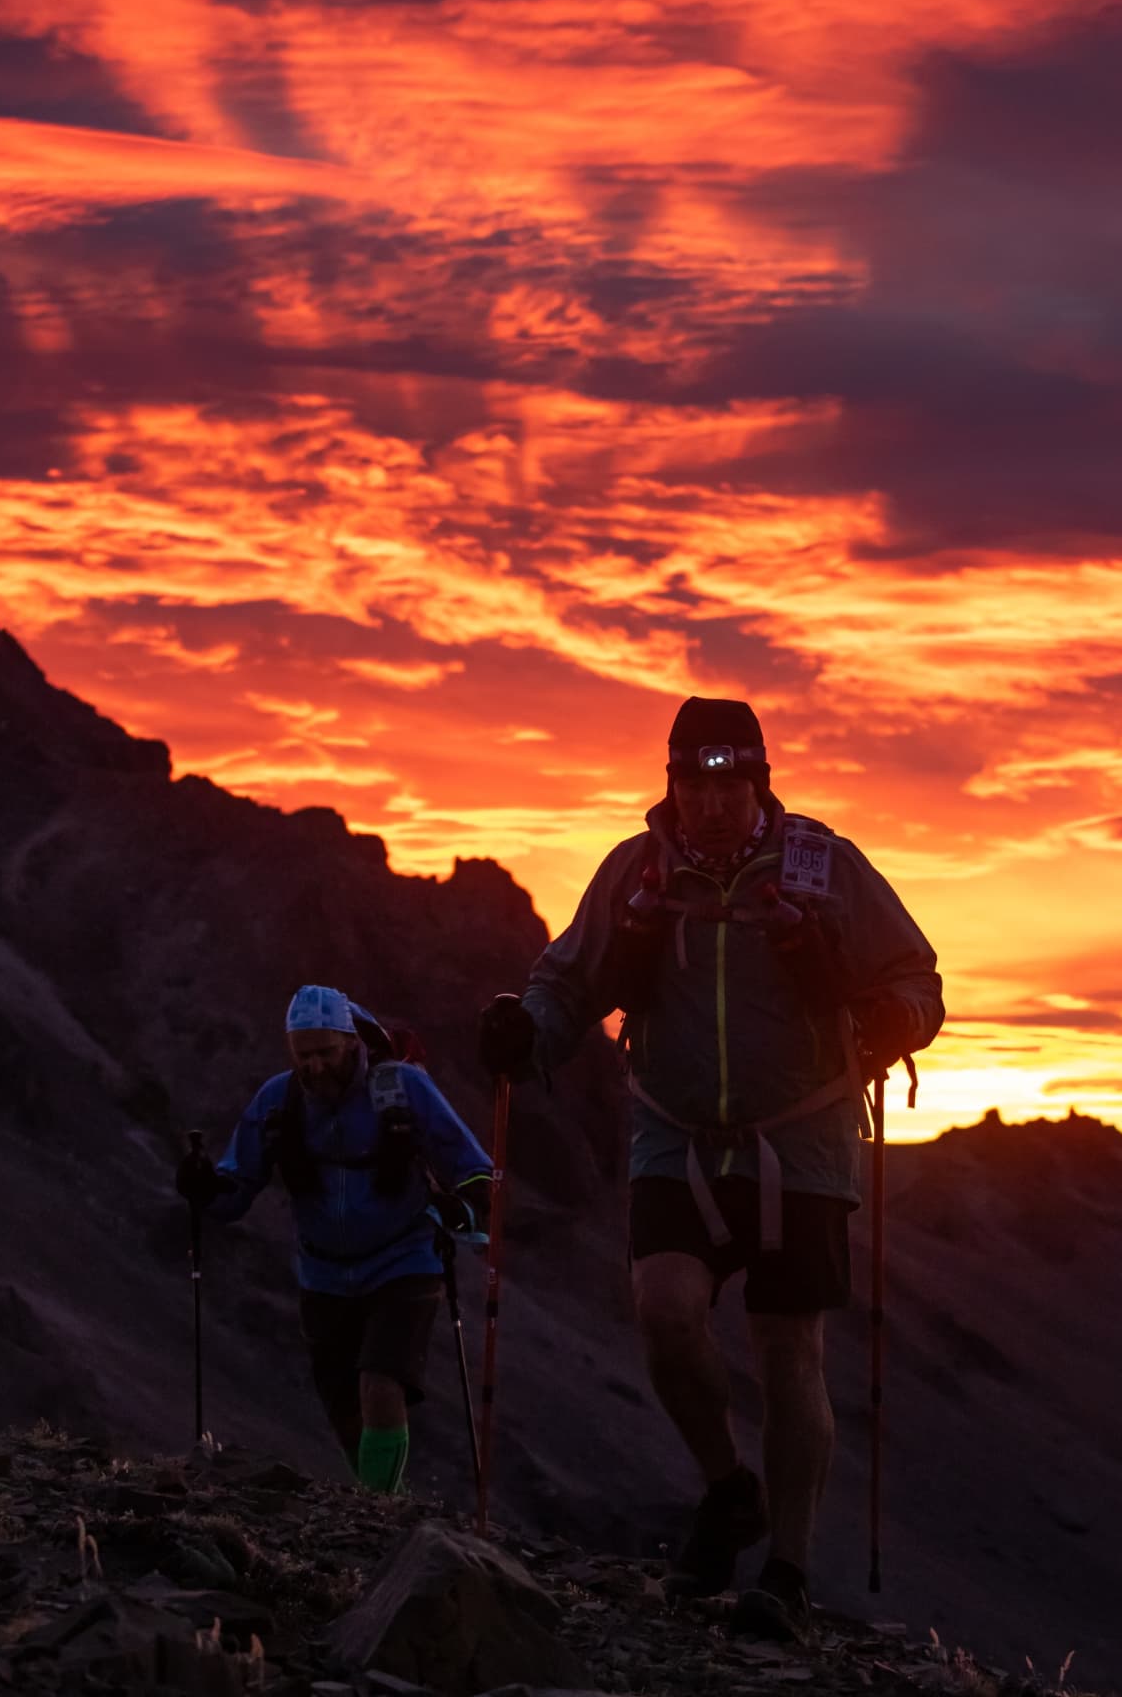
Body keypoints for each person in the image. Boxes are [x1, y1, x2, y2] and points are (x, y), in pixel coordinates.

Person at [479, 697, 943, 1637]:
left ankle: (787, 1570)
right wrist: (526, 1030)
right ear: (673, 784)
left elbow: (916, 978)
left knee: (786, 1352)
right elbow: (570, 980)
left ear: (761, 781)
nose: (716, 801)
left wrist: (895, 1023)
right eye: (698, 780)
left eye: (734, 780)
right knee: (662, 1310)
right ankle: (730, 1490)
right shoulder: (635, 874)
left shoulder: (825, 867)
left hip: (802, 1136)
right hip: (673, 1130)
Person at [176, 984, 493, 1494]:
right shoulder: (278, 1102)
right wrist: (202, 1186)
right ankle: (381, 1503)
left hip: (404, 1262)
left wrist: (467, 1207)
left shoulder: (403, 1088)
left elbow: (475, 1168)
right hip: (323, 1275)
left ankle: (378, 1515)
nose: (315, 1066)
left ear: (351, 1043)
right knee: (344, 1408)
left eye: (325, 1052)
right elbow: (233, 1193)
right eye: (304, 1056)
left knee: (379, 1383)